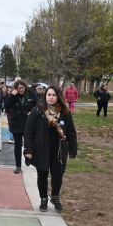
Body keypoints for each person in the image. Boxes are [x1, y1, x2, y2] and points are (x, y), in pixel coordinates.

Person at [23, 85, 77, 213]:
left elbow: (71, 131)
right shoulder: (38, 111)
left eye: (53, 95)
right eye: (49, 95)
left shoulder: (65, 112)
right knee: (42, 174)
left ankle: (55, 196)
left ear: (58, 96)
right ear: (45, 96)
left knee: (57, 175)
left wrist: (73, 149)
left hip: (58, 150)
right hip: (41, 149)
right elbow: (29, 131)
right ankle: (43, 199)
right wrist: (28, 150)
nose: (51, 97)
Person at [4, 79, 37, 174]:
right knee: (17, 146)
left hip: (28, 123)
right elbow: (6, 106)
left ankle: (27, 158)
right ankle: (18, 165)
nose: (21, 90)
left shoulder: (30, 94)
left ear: (25, 87)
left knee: (28, 144)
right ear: (16, 88)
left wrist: (32, 111)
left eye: (22, 87)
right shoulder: (13, 95)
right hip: (16, 123)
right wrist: (12, 95)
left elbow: (38, 104)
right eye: (19, 88)